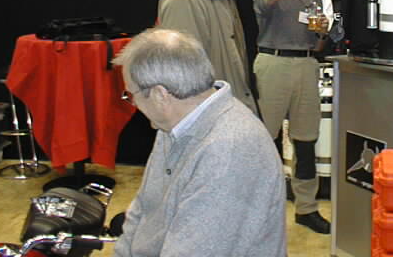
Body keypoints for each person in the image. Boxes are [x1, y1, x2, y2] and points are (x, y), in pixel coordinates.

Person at [112, 28, 286, 257]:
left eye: (131, 95)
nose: (134, 105)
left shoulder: (229, 152)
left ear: (160, 95)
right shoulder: (173, 123)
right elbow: (143, 207)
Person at [251, 0, 331, 234]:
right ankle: (256, 207)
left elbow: (318, 41)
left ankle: (306, 208)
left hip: (306, 65)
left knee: (306, 140)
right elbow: (267, 2)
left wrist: (325, 30)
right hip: (273, 62)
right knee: (263, 138)